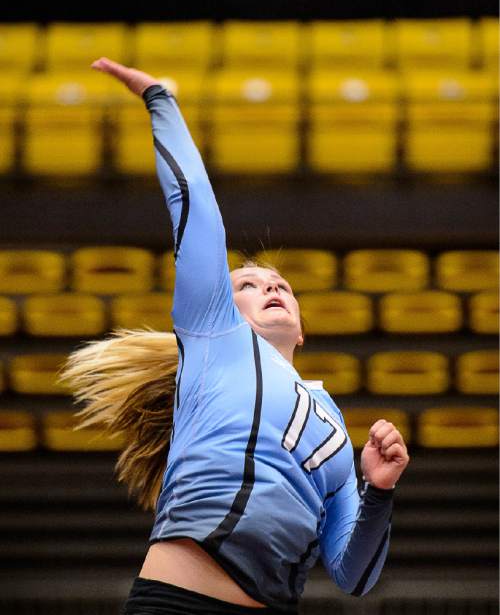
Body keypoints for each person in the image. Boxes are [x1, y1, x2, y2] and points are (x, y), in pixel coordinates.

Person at [62, 58, 410, 615]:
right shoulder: (215, 338)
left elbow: (354, 575)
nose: (271, 286)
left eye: (282, 285)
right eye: (247, 283)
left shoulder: (336, 431)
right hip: (177, 603)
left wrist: (381, 491)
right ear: (225, 307)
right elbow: (194, 204)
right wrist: (159, 98)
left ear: (302, 331)